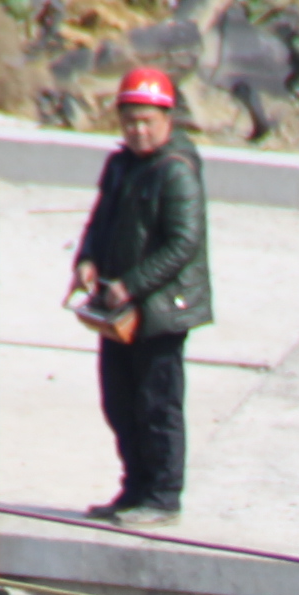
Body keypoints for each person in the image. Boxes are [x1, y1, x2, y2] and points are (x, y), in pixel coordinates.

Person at [71, 67, 211, 528]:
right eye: (129, 121)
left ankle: (163, 496)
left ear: (167, 119)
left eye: (147, 121)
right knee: (119, 401)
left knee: (157, 405)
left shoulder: (177, 171)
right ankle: (134, 489)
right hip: (119, 311)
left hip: (161, 311)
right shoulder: (120, 165)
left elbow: (183, 243)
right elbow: (100, 220)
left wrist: (130, 284)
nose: (138, 131)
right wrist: (86, 259)